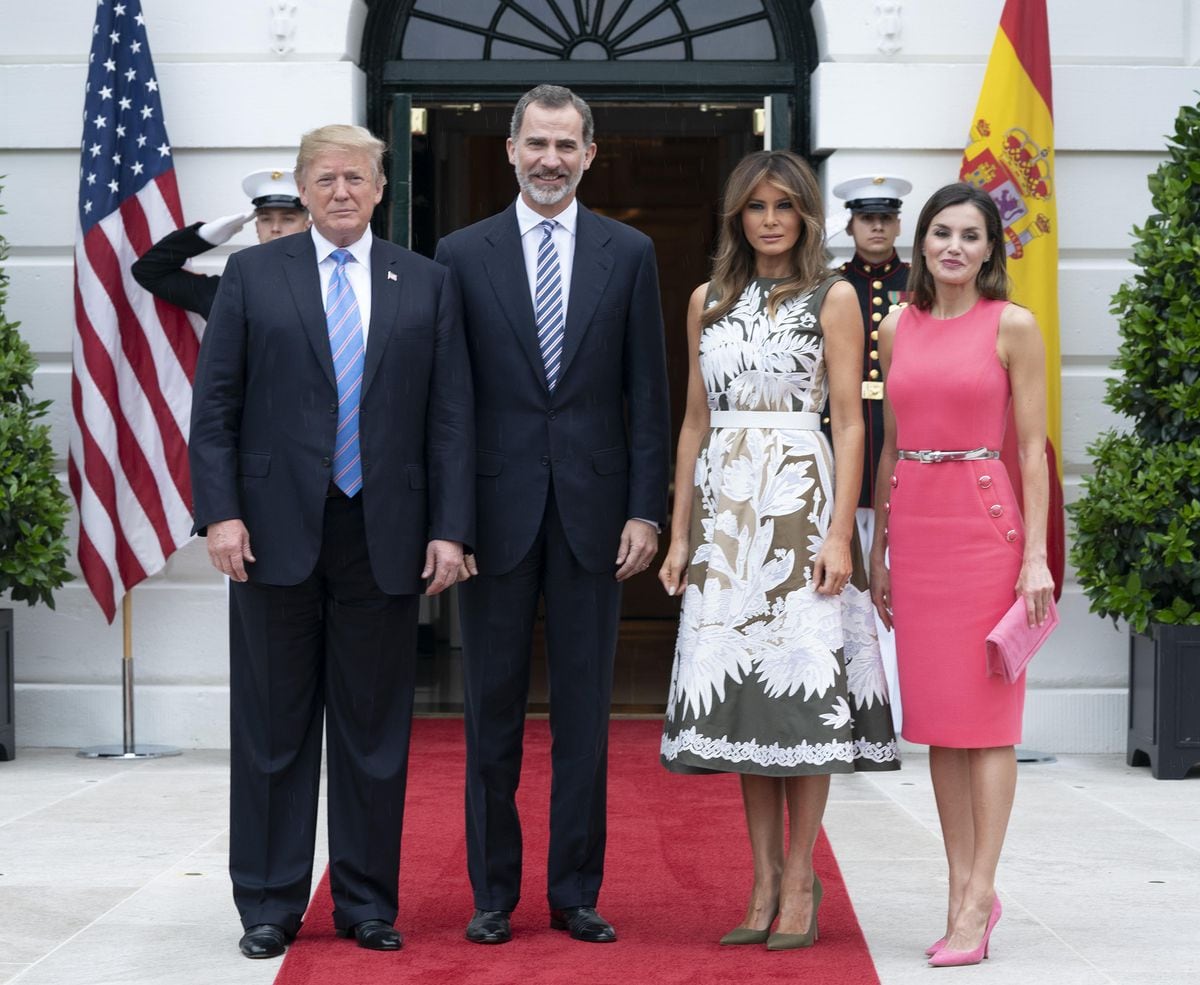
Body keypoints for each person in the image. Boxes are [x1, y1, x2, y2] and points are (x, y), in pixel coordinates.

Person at [189, 124, 474, 959]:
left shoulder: (425, 283)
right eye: (325, 178)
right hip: (271, 533)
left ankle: (365, 903)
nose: (341, 190)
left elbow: (451, 417)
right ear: (305, 189)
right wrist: (222, 513)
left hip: (383, 535)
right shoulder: (252, 276)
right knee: (274, 729)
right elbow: (216, 411)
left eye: (356, 178)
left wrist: (450, 528)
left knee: (372, 732)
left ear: (382, 189)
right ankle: (270, 903)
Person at [434, 84, 670, 947]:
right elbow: (449, 403)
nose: (550, 160)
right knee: (489, 715)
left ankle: (574, 891)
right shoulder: (460, 252)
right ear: (509, 149)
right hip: (492, 521)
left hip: (593, 516)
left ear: (590, 154)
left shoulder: (631, 250)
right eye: (537, 143)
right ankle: (493, 893)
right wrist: (450, 523)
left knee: (585, 717)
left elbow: (648, 392)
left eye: (567, 146)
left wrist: (647, 511)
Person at [659, 150, 899, 951]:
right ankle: (759, 879)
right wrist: (683, 529)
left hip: (801, 504)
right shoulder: (707, 299)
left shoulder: (833, 296)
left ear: (804, 215)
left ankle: (800, 875)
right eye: (755, 207)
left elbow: (851, 419)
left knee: (802, 697)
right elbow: (694, 422)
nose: (769, 220)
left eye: (783, 207)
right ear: (738, 216)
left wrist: (842, 532)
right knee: (746, 705)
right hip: (727, 517)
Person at [869, 182, 1053, 967]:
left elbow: (1037, 451)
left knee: (987, 724)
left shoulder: (1013, 325)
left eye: (970, 235)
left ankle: (981, 894)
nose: (953, 247)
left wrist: (1037, 556)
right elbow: (886, 442)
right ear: (922, 243)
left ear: (990, 249)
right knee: (941, 727)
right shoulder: (892, 325)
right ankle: (959, 887)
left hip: (987, 529)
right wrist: (877, 544)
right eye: (941, 233)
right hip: (915, 527)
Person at [829, 173, 913, 731]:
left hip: (903, 443)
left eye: (885, 218)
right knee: (847, 578)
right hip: (849, 444)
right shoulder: (833, 286)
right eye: (866, 218)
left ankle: (902, 707)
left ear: (898, 224)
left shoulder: (920, 283)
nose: (876, 227)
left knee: (899, 574)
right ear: (851, 224)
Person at [131, 168, 310, 317]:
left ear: (307, 226)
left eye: (288, 219)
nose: (275, 228)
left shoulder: (327, 281)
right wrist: (203, 236)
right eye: (265, 219)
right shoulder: (229, 290)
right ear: (257, 227)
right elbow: (148, 271)